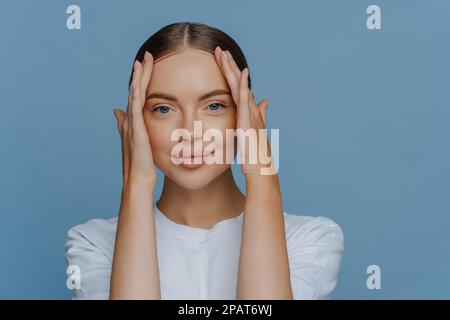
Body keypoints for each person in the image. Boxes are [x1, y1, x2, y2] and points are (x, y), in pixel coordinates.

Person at [64, 21, 344, 300]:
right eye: (163, 108)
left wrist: (262, 176)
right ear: (135, 123)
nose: (190, 131)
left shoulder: (310, 239)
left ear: (248, 117)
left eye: (214, 106)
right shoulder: (94, 244)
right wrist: (136, 185)